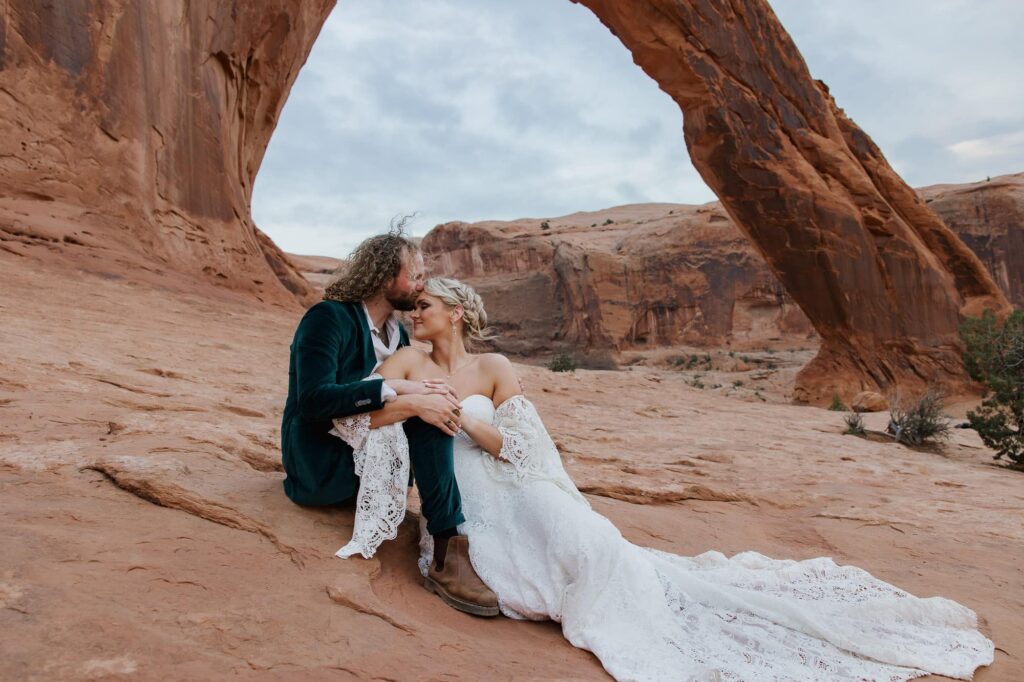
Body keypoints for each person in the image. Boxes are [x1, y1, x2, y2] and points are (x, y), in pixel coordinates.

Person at [333, 277, 994, 681]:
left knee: (592, 545)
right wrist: (417, 406)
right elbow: (362, 409)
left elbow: (522, 447)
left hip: (511, 479)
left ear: (457, 312)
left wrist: (464, 421)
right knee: (523, 578)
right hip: (461, 494)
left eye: (427, 306)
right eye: (415, 307)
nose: (416, 314)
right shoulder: (406, 362)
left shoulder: (496, 367)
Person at [280, 232, 498, 616]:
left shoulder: (397, 337)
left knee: (429, 407)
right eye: (414, 275)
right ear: (384, 276)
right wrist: (394, 389)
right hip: (321, 464)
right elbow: (312, 402)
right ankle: (447, 552)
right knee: (423, 412)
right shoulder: (329, 318)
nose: (420, 286)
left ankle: (451, 547)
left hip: (374, 467)